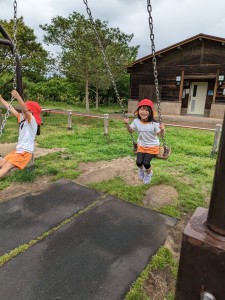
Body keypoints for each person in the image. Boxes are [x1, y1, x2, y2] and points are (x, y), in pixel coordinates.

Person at [0, 90, 41, 178]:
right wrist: (1, 99)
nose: (22, 112)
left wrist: (18, 97)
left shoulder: (32, 120)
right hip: (18, 150)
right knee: (2, 163)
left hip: (24, 152)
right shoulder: (23, 118)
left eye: (26, 110)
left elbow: (25, 110)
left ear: (32, 112)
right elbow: (11, 109)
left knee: (5, 167)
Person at [124, 98, 165, 184]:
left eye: (147, 110)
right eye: (142, 109)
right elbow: (131, 130)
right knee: (139, 163)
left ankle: (149, 173)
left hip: (152, 146)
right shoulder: (136, 121)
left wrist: (162, 130)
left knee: (146, 163)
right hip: (141, 145)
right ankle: (141, 171)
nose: (144, 112)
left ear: (150, 112)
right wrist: (127, 124)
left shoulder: (154, 124)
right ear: (138, 111)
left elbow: (160, 135)